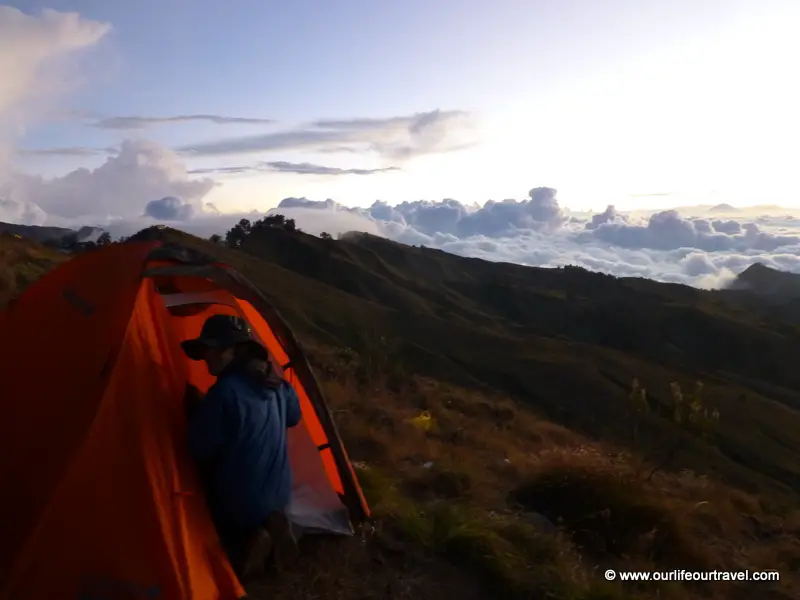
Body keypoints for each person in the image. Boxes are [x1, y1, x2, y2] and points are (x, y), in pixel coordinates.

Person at [181, 314, 302, 576]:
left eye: (213, 349)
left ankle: (245, 540)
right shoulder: (276, 383)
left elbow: (199, 450)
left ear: (235, 351)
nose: (206, 357)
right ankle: (267, 520)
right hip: (280, 493)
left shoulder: (224, 394)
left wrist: (196, 412)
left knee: (196, 480)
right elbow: (293, 416)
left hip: (238, 504)